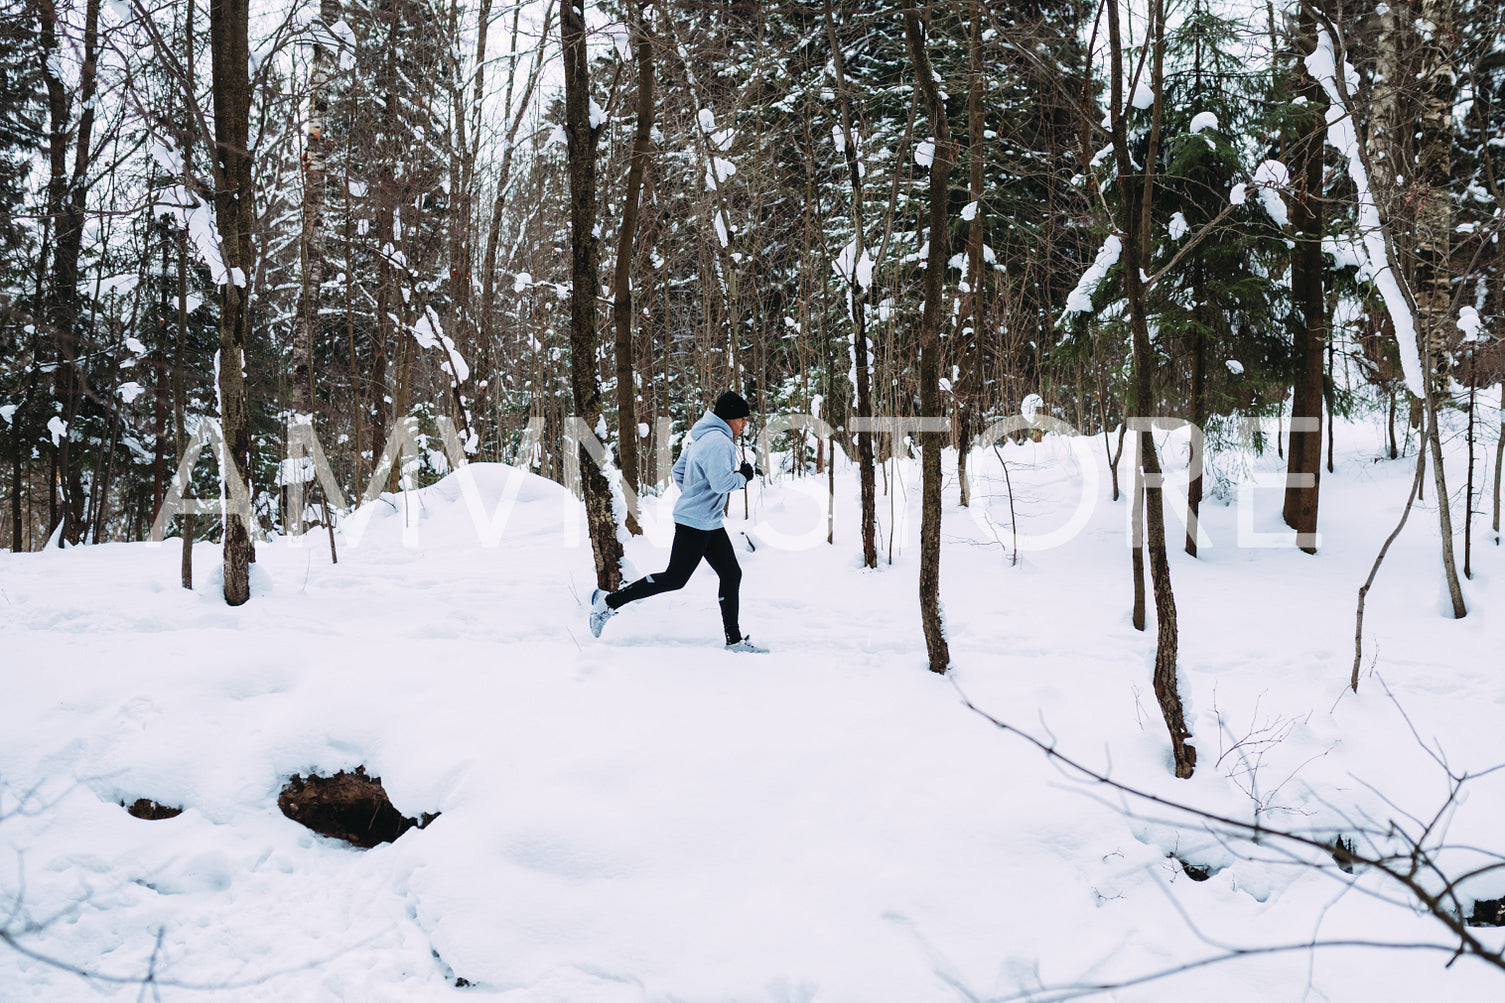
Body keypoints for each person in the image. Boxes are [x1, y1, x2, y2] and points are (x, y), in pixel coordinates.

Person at [589, 390, 768, 653]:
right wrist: (744, 476)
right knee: (674, 578)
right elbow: (722, 484)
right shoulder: (721, 442)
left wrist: (695, 496)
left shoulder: (701, 438)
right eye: (742, 419)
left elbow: (679, 471)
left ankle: (734, 641)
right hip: (697, 522)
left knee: (731, 574)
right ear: (730, 418)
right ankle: (609, 603)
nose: (744, 424)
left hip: (707, 521)